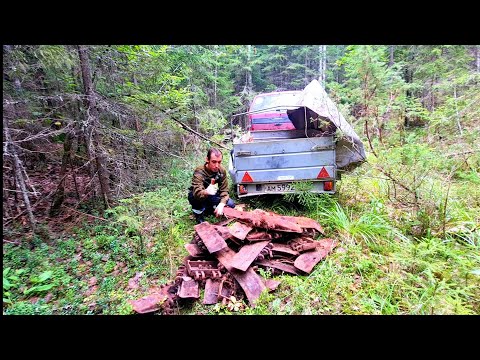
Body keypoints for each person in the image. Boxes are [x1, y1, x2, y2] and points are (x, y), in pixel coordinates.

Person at [188, 147, 235, 223]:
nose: (217, 165)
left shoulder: (221, 171)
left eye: (219, 162)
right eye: (214, 162)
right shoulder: (199, 172)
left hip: (212, 196)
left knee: (230, 204)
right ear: (207, 160)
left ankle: (208, 209)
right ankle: (199, 214)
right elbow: (197, 191)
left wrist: (221, 204)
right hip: (200, 196)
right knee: (193, 197)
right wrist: (206, 191)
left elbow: (224, 190)